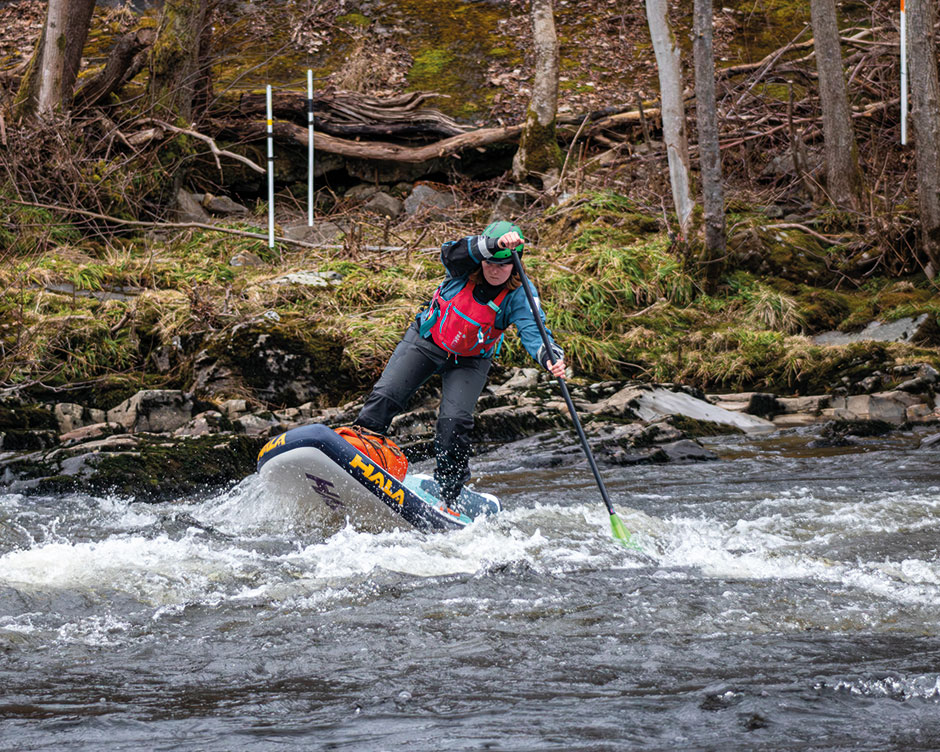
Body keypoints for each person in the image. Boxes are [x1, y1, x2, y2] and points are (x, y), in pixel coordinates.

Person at [352, 220, 566, 511]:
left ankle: (449, 496)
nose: (494, 271)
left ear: (514, 266)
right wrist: (493, 245)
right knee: (387, 395)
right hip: (427, 340)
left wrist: (549, 356)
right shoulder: (463, 266)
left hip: (471, 360)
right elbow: (449, 253)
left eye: (503, 267)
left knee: (454, 423)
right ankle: (361, 449)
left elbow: (535, 331)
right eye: (490, 264)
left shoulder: (521, 294)